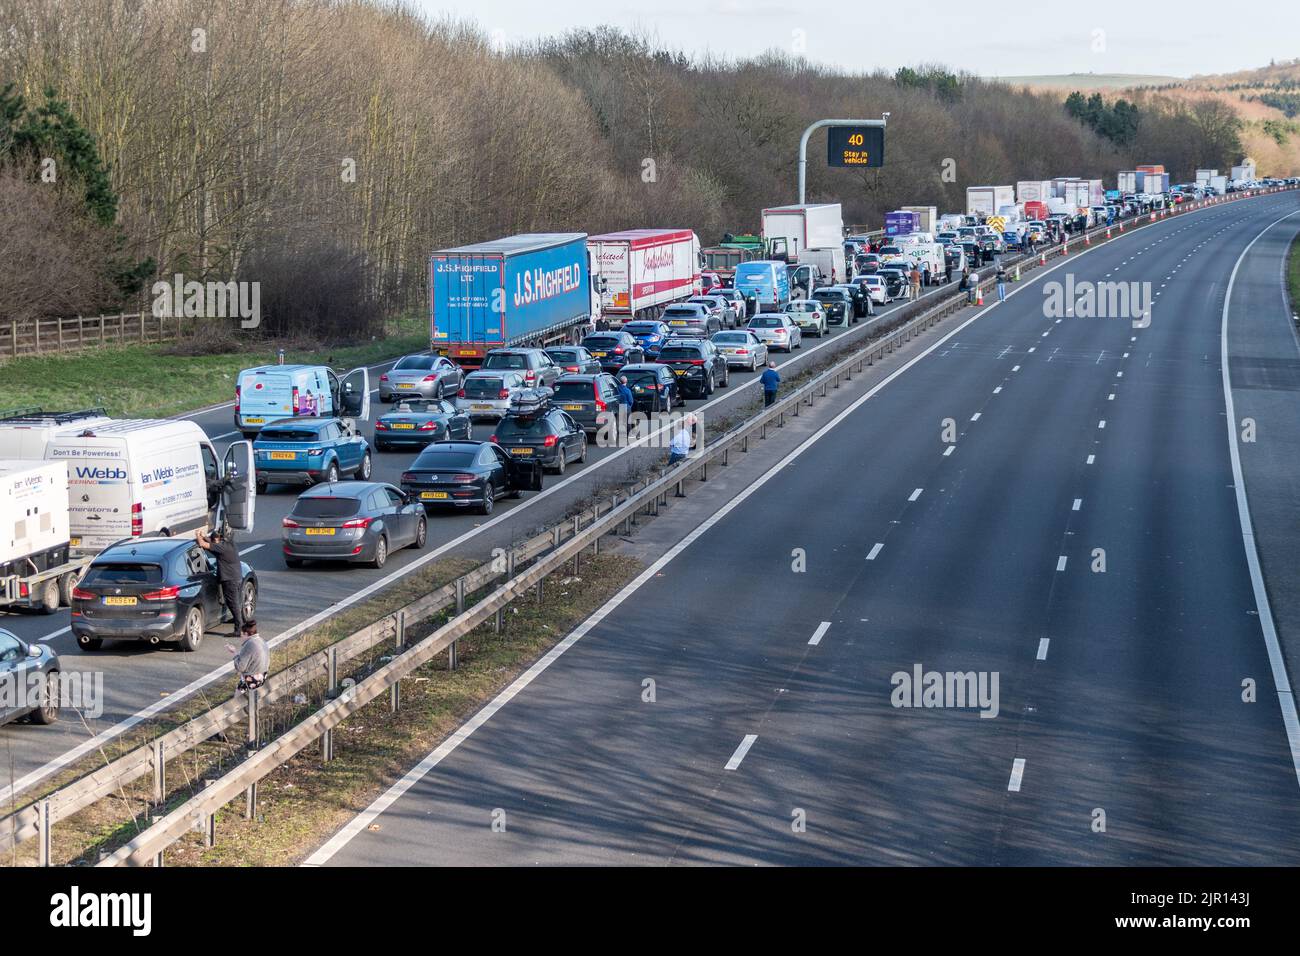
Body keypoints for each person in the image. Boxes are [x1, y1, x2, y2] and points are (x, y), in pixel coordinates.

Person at [196, 526, 243, 633]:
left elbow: (203, 545)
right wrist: (205, 536)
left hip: (230, 579)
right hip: (235, 577)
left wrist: (198, 536)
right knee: (234, 602)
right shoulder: (229, 544)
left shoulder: (222, 547)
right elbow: (214, 545)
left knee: (233, 603)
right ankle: (238, 622)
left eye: (214, 540)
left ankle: (238, 629)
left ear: (218, 539)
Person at [226, 620, 269, 692]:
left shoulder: (249, 644)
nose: (240, 636)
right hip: (262, 676)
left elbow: (240, 667)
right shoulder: (261, 640)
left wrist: (234, 653)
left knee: (236, 702)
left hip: (251, 679)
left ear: (246, 634)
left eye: (241, 634)